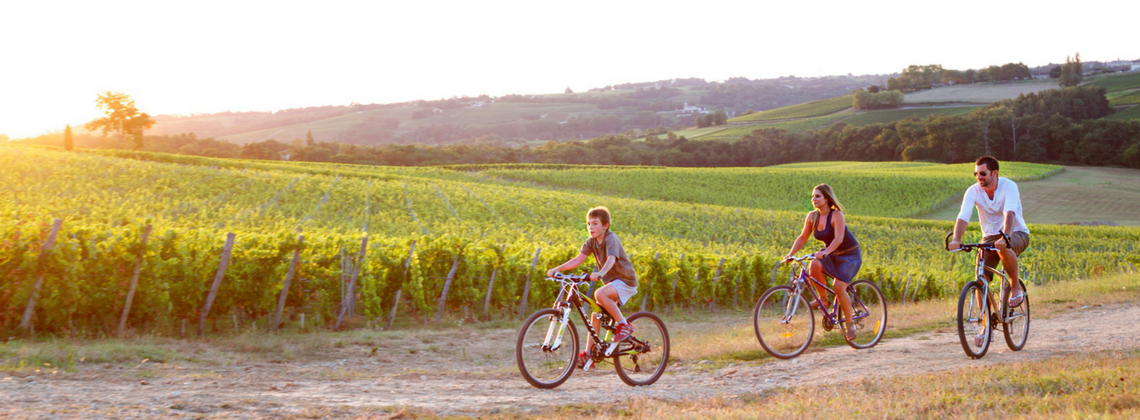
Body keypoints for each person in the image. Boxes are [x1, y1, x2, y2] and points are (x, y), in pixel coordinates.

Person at [947, 156, 1030, 347]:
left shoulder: (1009, 186)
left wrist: (1005, 237)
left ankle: (1015, 286)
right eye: (976, 173)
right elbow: (963, 216)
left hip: (1016, 232)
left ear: (994, 173)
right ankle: (986, 327)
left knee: (1004, 247)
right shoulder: (973, 191)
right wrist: (957, 239)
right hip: (989, 237)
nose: (979, 177)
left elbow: (1010, 213)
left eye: (982, 173)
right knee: (981, 277)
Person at [546, 206, 638, 370]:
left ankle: (624, 325)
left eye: (595, 223)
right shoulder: (591, 242)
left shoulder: (611, 239)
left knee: (599, 293)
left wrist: (601, 272)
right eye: (588, 224)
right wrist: (557, 270)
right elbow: (577, 260)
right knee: (596, 313)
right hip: (612, 283)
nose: (590, 227)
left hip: (625, 281)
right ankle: (589, 354)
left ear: (605, 226)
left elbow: (611, 259)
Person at [782, 184, 862, 341]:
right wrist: (791, 254)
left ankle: (850, 323)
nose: (814, 199)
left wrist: (825, 252)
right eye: (812, 196)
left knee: (838, 286)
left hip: (849, 256)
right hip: (831, 254)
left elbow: (839, 238)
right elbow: (803, 237)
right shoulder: (812, 216)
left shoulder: (837, 215)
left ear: (826, 198)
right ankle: (823, 300)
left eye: (817, 196)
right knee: (814, 265)